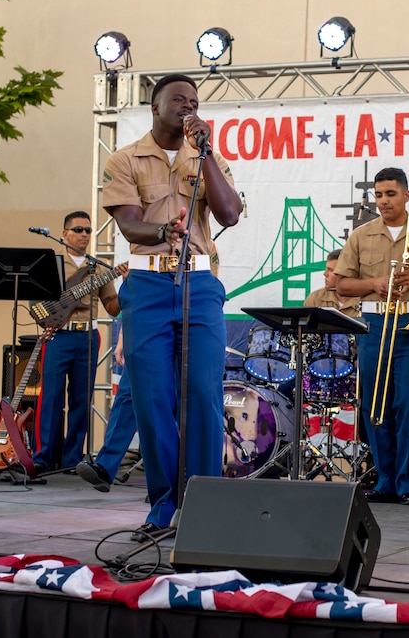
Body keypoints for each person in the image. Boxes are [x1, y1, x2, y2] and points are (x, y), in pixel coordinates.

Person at [101, 74, 241, 541]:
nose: (188, 106)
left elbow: (229, 213)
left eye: (195, 102)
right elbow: (128, 225)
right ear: (155, 106)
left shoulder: (204, 156)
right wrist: (163, 233)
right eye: (178, 99)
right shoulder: (125, 159)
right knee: (153, 397)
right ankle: (163, 505)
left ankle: (206, 504)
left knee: (202, 392)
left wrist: (205, 154)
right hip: (146, 281)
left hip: (199, 283)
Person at [335, 167, 409, 506]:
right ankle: (385, 480)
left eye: (390, 194)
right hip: (373, 326)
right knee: (376, 406)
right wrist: (373, 284)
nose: (384, 201)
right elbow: (341, 284)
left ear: (406, 196)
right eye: (379, 195)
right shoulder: (361, 235)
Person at [32, 211, 122, 472]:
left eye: (88, 230)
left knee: (82, 399)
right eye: (78, 229)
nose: (84, 234)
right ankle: (42, 457)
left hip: (87, 337)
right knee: (51, 397)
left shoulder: (99, 268)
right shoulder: (53, 263)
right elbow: (36, 298)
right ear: (65, 233)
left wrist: (127, 287)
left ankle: (72, 459)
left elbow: (112, 308)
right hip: (59, 335)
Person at [76, 324, 139, 491]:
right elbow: (130, 302)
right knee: (125, 400)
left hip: (174, 332)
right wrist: (122, 338)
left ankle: (169, 482)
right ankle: (105, 468)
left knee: (170, 404)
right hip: (141, 334)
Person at [304, 249, 361, 317]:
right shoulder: (315, 298)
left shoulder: (367, 300)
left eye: (331, 270)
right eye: (326, 269)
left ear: (348, 273)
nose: (325, 274)